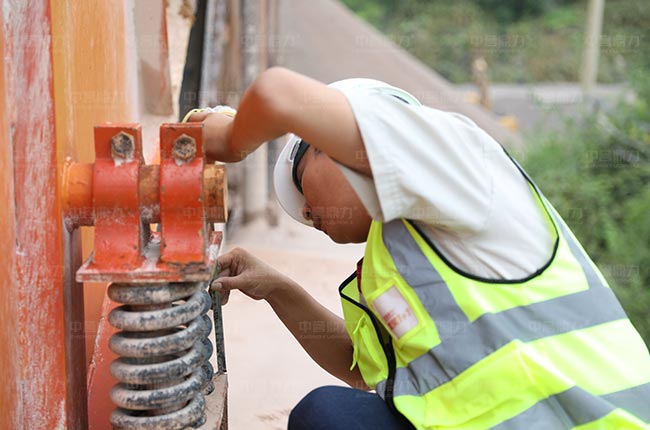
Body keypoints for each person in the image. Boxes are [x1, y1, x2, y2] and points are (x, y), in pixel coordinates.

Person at [187, 67, 650, 430]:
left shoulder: (450, 158)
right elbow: (360, 369)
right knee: (330, 416)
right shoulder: (399, 255)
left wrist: (230, 138)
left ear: (334, 147)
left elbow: (279, 94)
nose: (307, 210)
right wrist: (276, 289)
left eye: (302, 183)